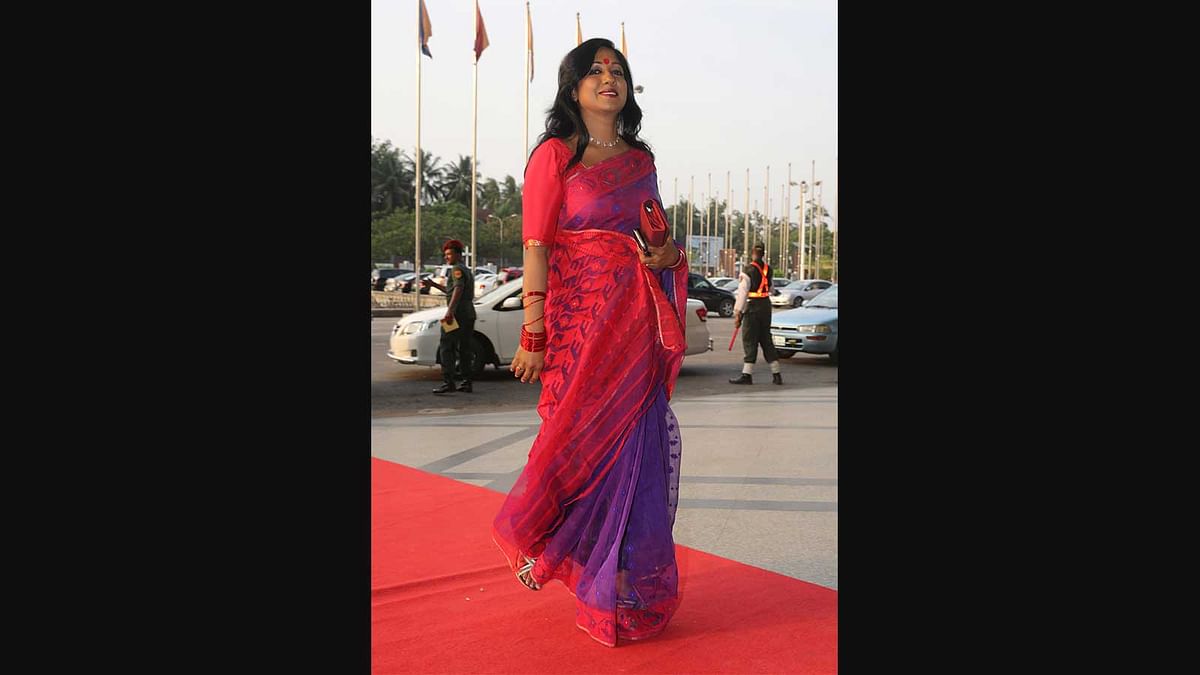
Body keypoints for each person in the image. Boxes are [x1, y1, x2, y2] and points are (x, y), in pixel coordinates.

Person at [492, 38, 688, 648]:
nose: (610, 78)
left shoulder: (641, 158)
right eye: (596, 70)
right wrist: (534, 330)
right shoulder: (556, 155)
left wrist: (669, 254)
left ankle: (622, 587)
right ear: (572, 85)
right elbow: (536, 245)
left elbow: (658, 233)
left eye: (618, 71)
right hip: (582, 319)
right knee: (575, 438)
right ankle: (552, 548)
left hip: (635, 319)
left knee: (636, 446)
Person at [420, 240, 476, 394]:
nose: (446, 257)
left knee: (446, 346)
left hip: (457, 314)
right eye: (445, 255)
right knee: (465, 348)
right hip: (468, 313)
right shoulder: (465, 269)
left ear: (458, 254)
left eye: (449, 254)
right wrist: (434, 285)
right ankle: (466, 382)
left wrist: (450, 311)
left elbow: (458, 289)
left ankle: (448, 382)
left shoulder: (456, 269)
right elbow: (452, 290)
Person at [730, 242, 783, 385]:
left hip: (752, 307)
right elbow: (771, 289)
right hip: (765, 306)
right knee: (766, 339)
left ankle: (746, 375)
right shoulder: (768, 269)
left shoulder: (748, 270)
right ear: (763, 254)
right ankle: (776, 374)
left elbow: (742, 293)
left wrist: (738, 313)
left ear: (752, 253)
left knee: (749, 340)